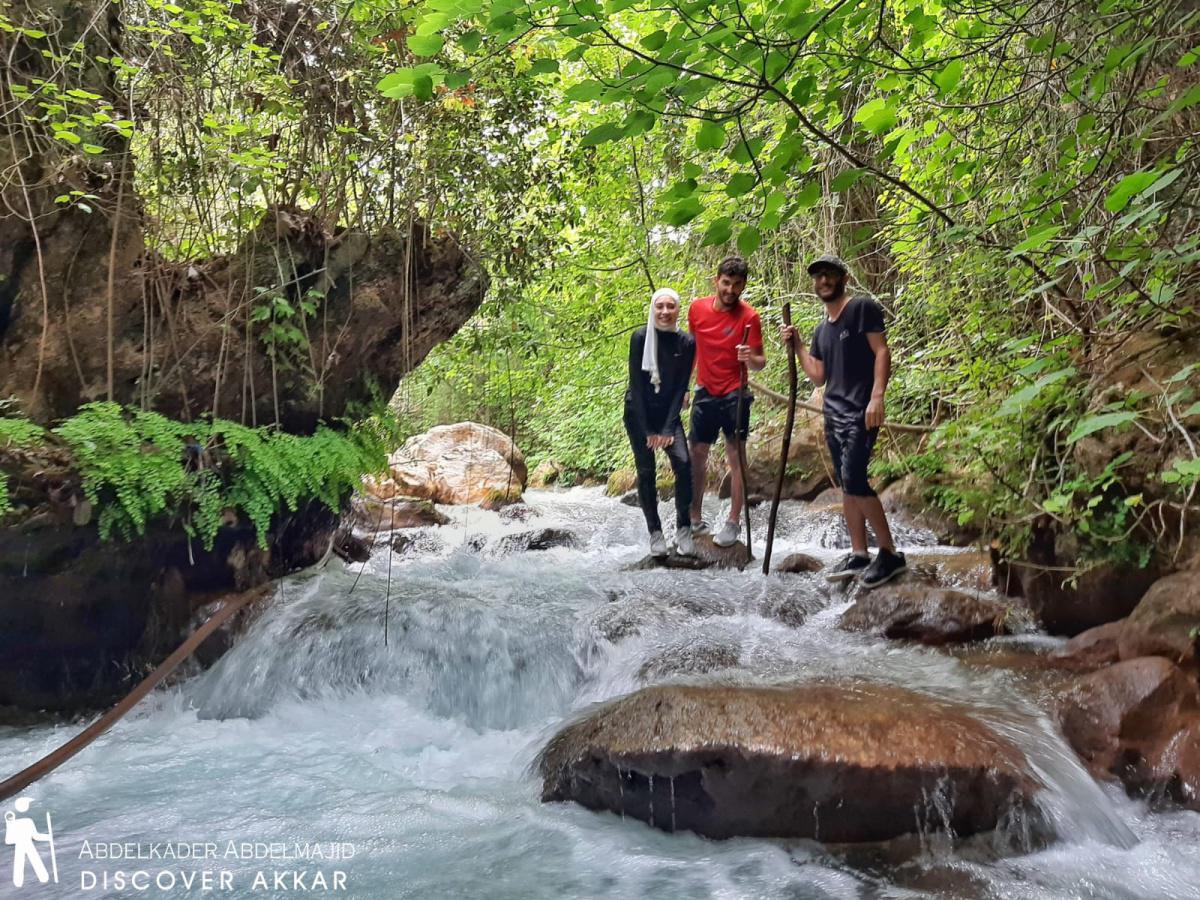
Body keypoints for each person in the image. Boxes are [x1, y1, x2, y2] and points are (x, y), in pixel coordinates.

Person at [781, 253, 906, 588]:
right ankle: (859, 552)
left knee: (854, 477)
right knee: (846, 483)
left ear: (843, 277)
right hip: (833, 414)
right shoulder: (821, 330)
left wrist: (877, 396)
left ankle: (890, 553)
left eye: (829, 275)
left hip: (861, 411)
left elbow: (881, 351)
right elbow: (818, 376)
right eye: (818, 276)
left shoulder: (861, 308)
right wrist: (798, 347)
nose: (823, 280)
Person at [687, 256, 765, 547]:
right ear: (716, 280)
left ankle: (733, 522)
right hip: (706, 390)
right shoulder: (697, 309)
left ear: (744, 285)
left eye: (737, 285)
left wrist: (749, 358)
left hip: (736, 392)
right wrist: (685, 386)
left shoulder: (750, 317)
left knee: (736, 457)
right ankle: (695, 517)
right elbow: (692, 348)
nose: (731, 290)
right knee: (697, 453)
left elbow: (760, 361)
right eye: (726, 283)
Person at [624, 287, 696, 557]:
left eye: (670, 307)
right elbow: (637, 386)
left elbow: (680, 389)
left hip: (669, 413)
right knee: (646, 471)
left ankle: (684, 529)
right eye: (660, 307)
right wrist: (649, 431)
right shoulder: (640, 337)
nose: (665, 312)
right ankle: (655, 533)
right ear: (653, 309)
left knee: (684, 464)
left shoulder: (686, 342)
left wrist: (666, 429)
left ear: (677, 310)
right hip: (639, 413)